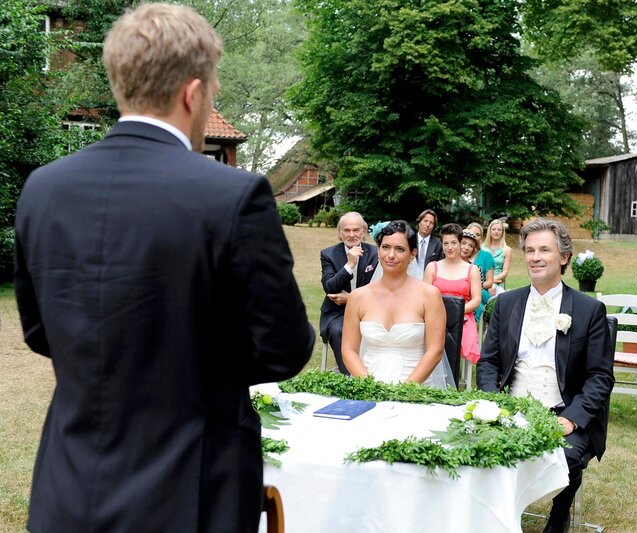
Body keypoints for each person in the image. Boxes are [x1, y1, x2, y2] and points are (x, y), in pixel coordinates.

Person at [13, 5, 315, 532]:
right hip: (191, 491)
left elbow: (41, 332)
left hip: (69, 486)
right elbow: (284, 347)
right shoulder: (233, 195)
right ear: (193, 93)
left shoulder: (43, 189)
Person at [477, 219, 614, 533]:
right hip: (511, 407)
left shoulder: (589, 309)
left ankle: (560, 510)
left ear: (564, 257)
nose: (534, 257)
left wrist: (572, 419)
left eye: (544, 250)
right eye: (529, 250)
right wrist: (491, 402)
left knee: (568, 457)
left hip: (562, 409)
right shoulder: (506, 304)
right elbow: (488, 363)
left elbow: (599, 377)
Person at [342, 221, 449, 388]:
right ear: (378, 251)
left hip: (415, 387)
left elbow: (435, 351)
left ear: (412, 254)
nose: (391, 255)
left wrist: (404, 391)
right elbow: (348, 350)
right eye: (385, 247)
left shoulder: (429, 296)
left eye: (400, 249)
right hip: (368, 385)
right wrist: (370, 387)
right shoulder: (358, 297)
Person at [320, 212, 379, 374]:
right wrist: (349, 264)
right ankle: (350, 378)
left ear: (364, 231)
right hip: (337, 313)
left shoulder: (376, 253)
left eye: (356, 230)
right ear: (340, 233)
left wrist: (351, 299)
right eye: (347, 230)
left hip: (370, 312)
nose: (351, 235)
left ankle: (374, 374)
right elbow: (330, 287)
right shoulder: (328, 254)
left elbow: (379, 290)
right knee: (339, 331)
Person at [424, 223, 482, 365]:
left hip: (463, 316)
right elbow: (424, 297)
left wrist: (456, 312)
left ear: (461, 244)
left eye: (454, 243)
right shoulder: (433, 267)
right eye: (446, 243)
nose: (449, 247)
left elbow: (476, 300)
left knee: (464, 336)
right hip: (435, 317)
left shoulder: (472, 270)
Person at [460, 228, 493, 322]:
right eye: (463, 243)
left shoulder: (474, 270)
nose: (466, 248)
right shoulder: (444, 266)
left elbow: (476, 297)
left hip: (467, 310)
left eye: (470, 246)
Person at [482, 218, 512, 293]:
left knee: (492, 289)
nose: (496, 232)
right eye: (494, 229)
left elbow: (505, 272)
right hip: (483, 280)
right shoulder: (482, 248)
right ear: (489, 231)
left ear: (502, 232)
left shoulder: (507, 250)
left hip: (497, 281)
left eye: (499, 230)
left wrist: (493, 280)